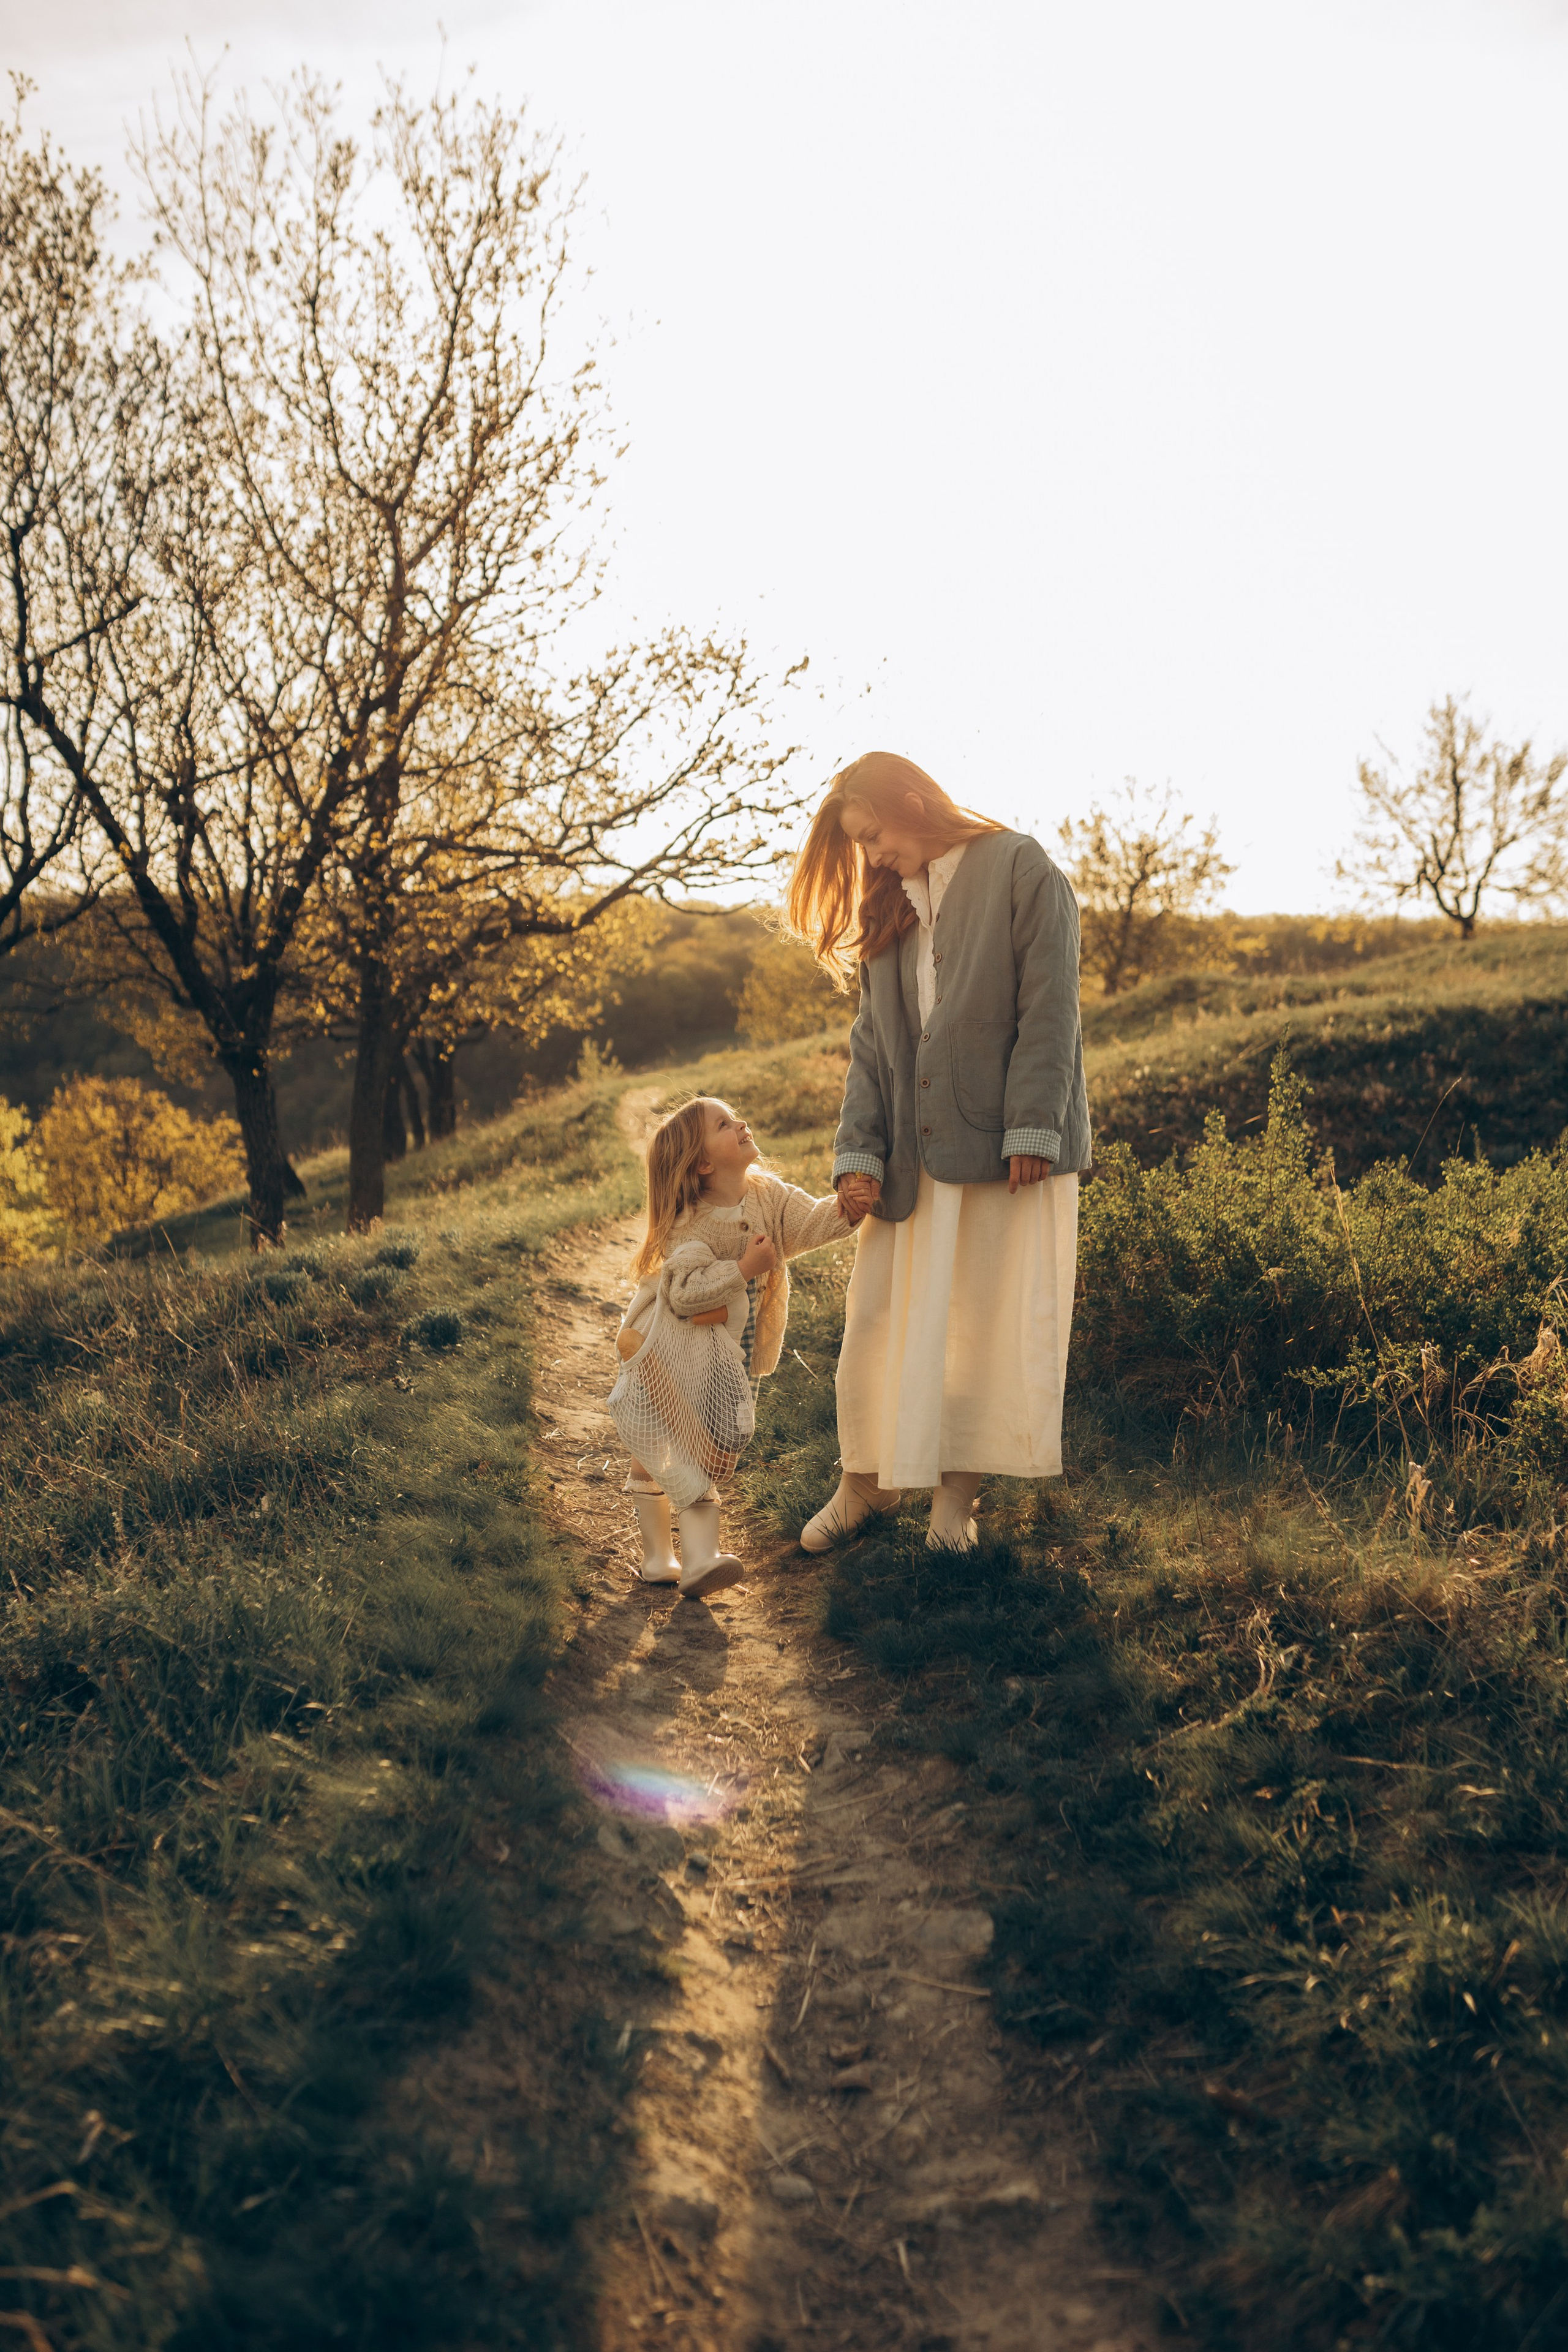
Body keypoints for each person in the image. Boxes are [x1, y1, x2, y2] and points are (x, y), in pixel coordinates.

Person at [783, 751, 1091, 1552]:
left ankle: (957, 1504)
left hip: (1004, 1153)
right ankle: (865, 1488)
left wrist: (1034, 1126)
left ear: (916, 803)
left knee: (978, 1328)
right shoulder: (889, 903)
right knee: (879, 1320)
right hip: (910, 1159)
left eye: (873, 834)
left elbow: (1050, 1006)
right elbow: (870, 1046)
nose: (871, 855)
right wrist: (858, 1152)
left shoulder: (1022, 868)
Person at [609, 1095, 861, 1598]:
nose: (741, 1123)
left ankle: (677, 1556)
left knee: (712, 1450)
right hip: (668, 1350)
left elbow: (809, 1222)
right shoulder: (689, 1224)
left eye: (735, 1117)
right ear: (703, 1164)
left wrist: (850, 1207)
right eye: (724, 1124)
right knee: (675, 1447)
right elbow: (680, 1296)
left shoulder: (767, 1194)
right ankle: (678, 1558)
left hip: (729, 1355)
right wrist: (743, 1270)